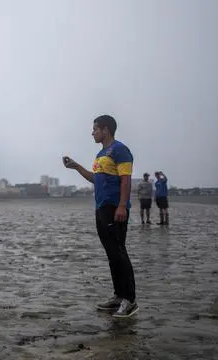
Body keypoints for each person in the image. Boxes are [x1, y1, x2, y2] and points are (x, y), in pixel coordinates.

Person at [62, 115, 138, 318]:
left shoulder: (120, 150)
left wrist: (122, 205)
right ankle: (118, 296)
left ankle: (130, 300)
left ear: (106, 130)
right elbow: (95, 179)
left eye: (95, 129)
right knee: (112, 254)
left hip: (115, 207)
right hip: (101, 208)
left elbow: (125, 180)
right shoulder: (100, 154)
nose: (92, 132)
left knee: (119, 252)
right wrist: (76, 166)